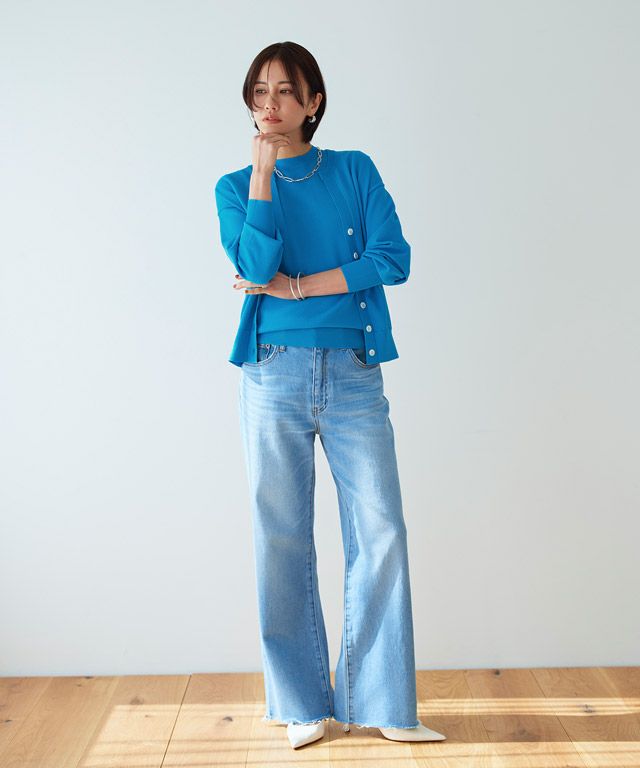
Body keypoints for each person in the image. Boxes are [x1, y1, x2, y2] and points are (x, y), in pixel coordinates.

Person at [214, 41, 447, 750]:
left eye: (286, 91)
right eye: (260, 91)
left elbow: (392, 258)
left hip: (352, 371)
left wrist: (298, 287)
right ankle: (301, 703)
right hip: (273, 373)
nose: (271, 104)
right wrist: (263, 174)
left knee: (381, 531)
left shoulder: (353, 170)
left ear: (313, 102)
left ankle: (382, 704)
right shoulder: (234, 186)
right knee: (281, 535)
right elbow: (253, 262)